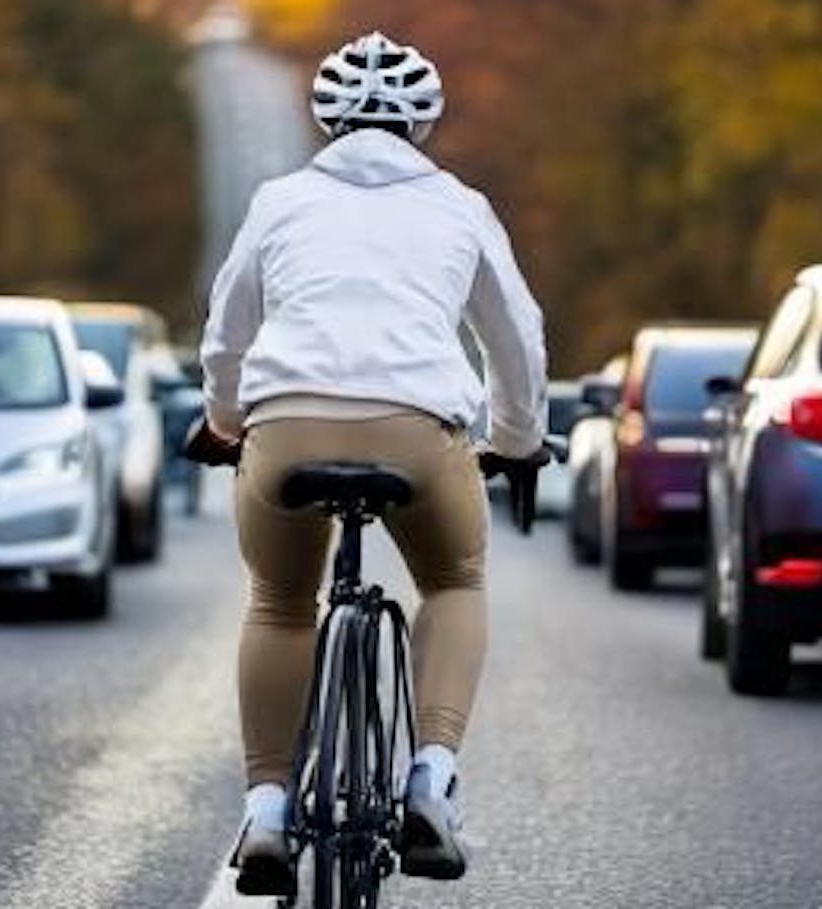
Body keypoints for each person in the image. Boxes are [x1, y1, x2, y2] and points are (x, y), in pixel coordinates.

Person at [200, 31, 548, 896]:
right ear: (423, 124)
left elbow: (227, 333)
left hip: (286, 428)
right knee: (456, 580)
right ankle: (429, 778)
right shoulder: (461, 206)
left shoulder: (279, 200)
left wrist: (224, 420)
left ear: (324, 121)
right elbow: (517, 340)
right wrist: (516, 438)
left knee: (280, 603)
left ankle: (270, 810)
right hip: (418, 429)